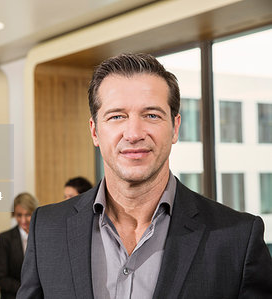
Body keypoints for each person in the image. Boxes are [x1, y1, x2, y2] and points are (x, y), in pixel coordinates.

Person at [17, 53, 272, 298]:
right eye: (117, 116)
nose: (134, 133)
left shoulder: (237, 238)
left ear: (175, 128)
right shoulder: (48, 228)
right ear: (95, 132)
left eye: (151, 115)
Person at [0, 193, 39, 299]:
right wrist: (26, 290)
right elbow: (0, 278)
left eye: (28, 214)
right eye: (19, 215)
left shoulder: (42, 236)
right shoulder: (5, 238)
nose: (23, 220)